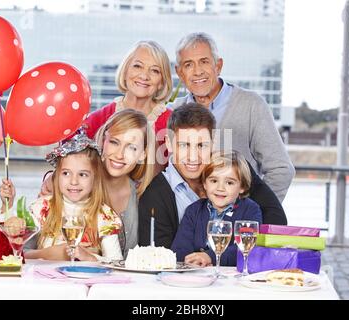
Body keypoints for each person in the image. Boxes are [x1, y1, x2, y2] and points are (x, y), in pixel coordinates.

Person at [138, 103, 286, 249]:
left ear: (213, 142)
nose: (193, 157)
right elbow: (161, 258)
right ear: (169, 143)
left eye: (201, 145)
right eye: (184, 145)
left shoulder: (235, 170)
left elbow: (277, 221)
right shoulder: (154, 196)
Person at [170, 32, 295, 203]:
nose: (197, 71)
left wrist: (254, 213)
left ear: (218, 65)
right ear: (180, 72)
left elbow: (281, 169)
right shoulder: (173, 111)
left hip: (237, 225)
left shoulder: (252, 105)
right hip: (187, 223)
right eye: (188, 64)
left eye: (204, 62)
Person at [37, 109, 156, 257]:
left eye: (132, 147)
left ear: (142, 155)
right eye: (114, 142)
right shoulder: (73, 188)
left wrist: (92, 256)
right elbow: (26, 247)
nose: (119, 154)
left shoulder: (147, 196)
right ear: (103, 141)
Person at [0, 132, 123, 262]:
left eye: (83, 174)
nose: (73, 181)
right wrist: (6, 206)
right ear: (57, 175)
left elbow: (116, 262)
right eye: (66, 173)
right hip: (44, 280)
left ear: (95, 178)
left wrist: (90, 257)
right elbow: (11, 245)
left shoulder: (104, 215)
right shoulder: (42, 208)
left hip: (83, 281)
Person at [83, 40, 173, 170]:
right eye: (137, 66)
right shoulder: (99, 118)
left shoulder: (172, 123)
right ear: (125, 71)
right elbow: (71, 157)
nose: (144, 76)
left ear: (161, 82)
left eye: (154, 71)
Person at [171, 150, 262, 267]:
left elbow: (247, 249)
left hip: (231, 279)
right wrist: (190, 261)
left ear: (242, 187)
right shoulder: (193, 210)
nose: (220, 188)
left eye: (229, 183)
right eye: (214, 181)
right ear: (204, 183)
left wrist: (210, 257)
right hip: (198, 274)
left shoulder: (250, 210)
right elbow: (180, 248)